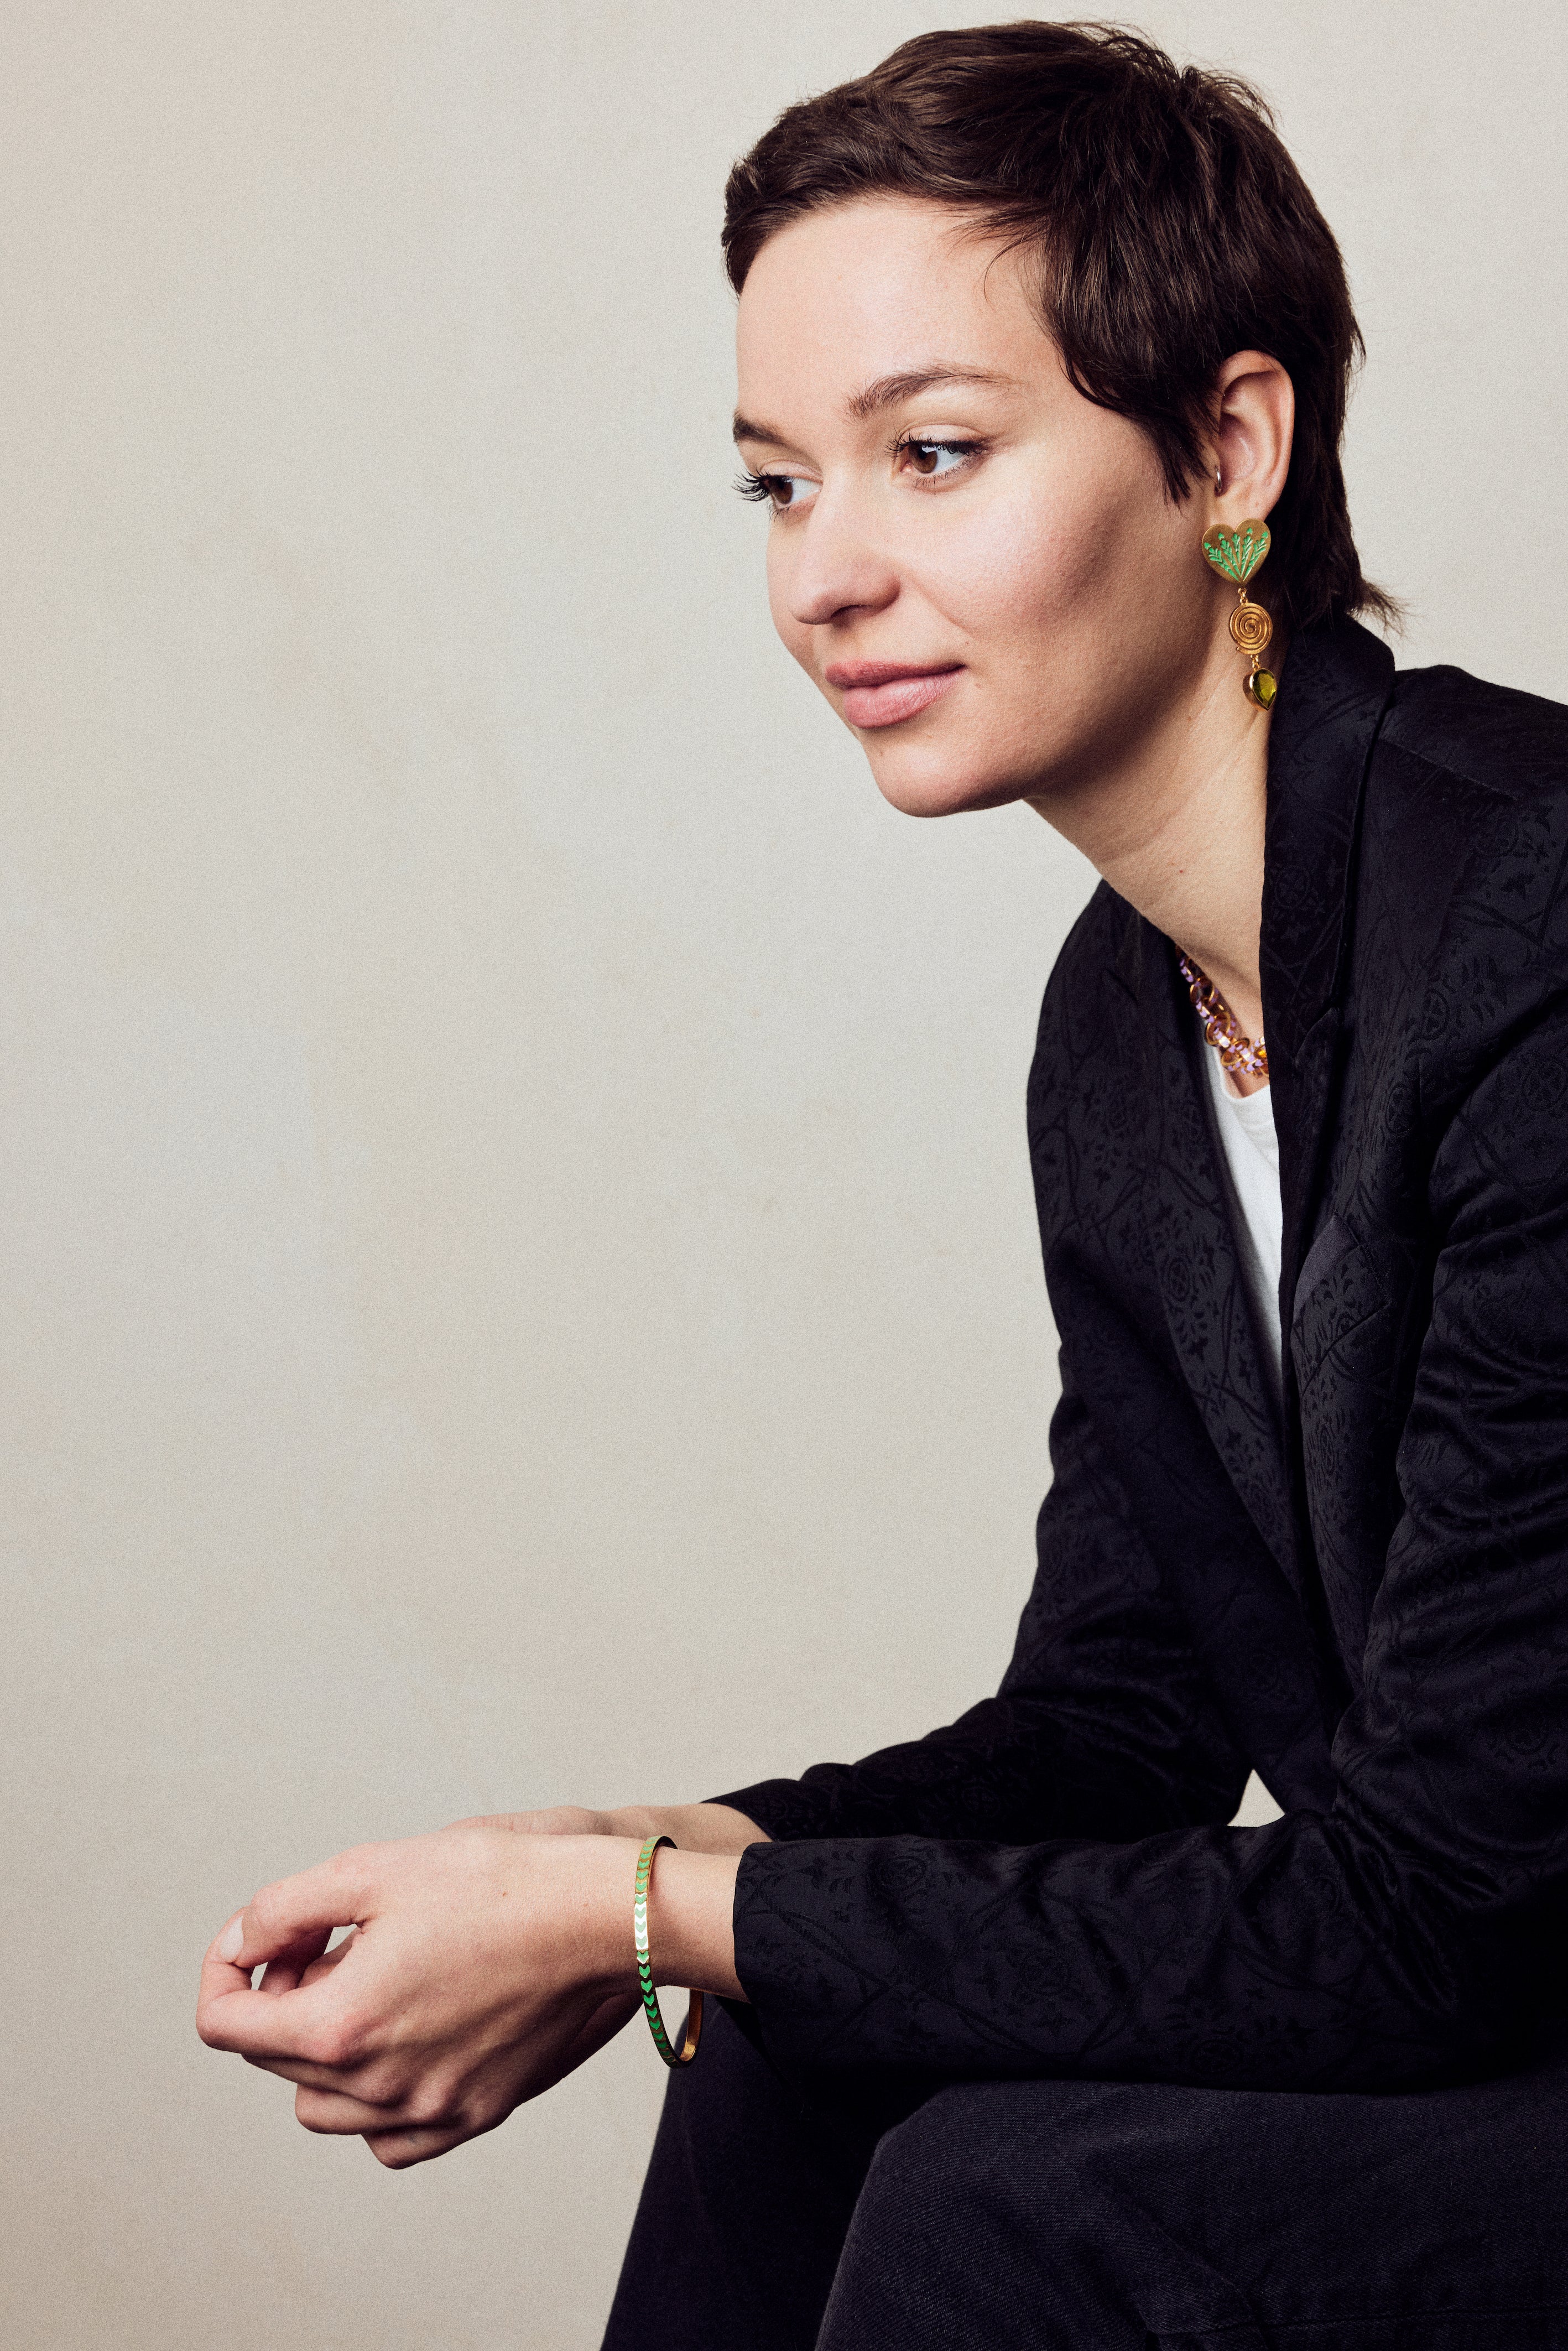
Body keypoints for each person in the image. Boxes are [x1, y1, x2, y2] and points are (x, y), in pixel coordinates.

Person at [197, 23, 1568, 2347]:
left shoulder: (1528, 928)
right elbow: (1123, 1734)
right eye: (775, 483)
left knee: (1018, 2205)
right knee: (802, 2044)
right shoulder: (1120, 1036)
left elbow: (1444, 1904)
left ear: (1224, 446)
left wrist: (639, 1919)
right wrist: (619, 1871)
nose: (827, 575)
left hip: (1502, 1972)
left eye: (930, 454)